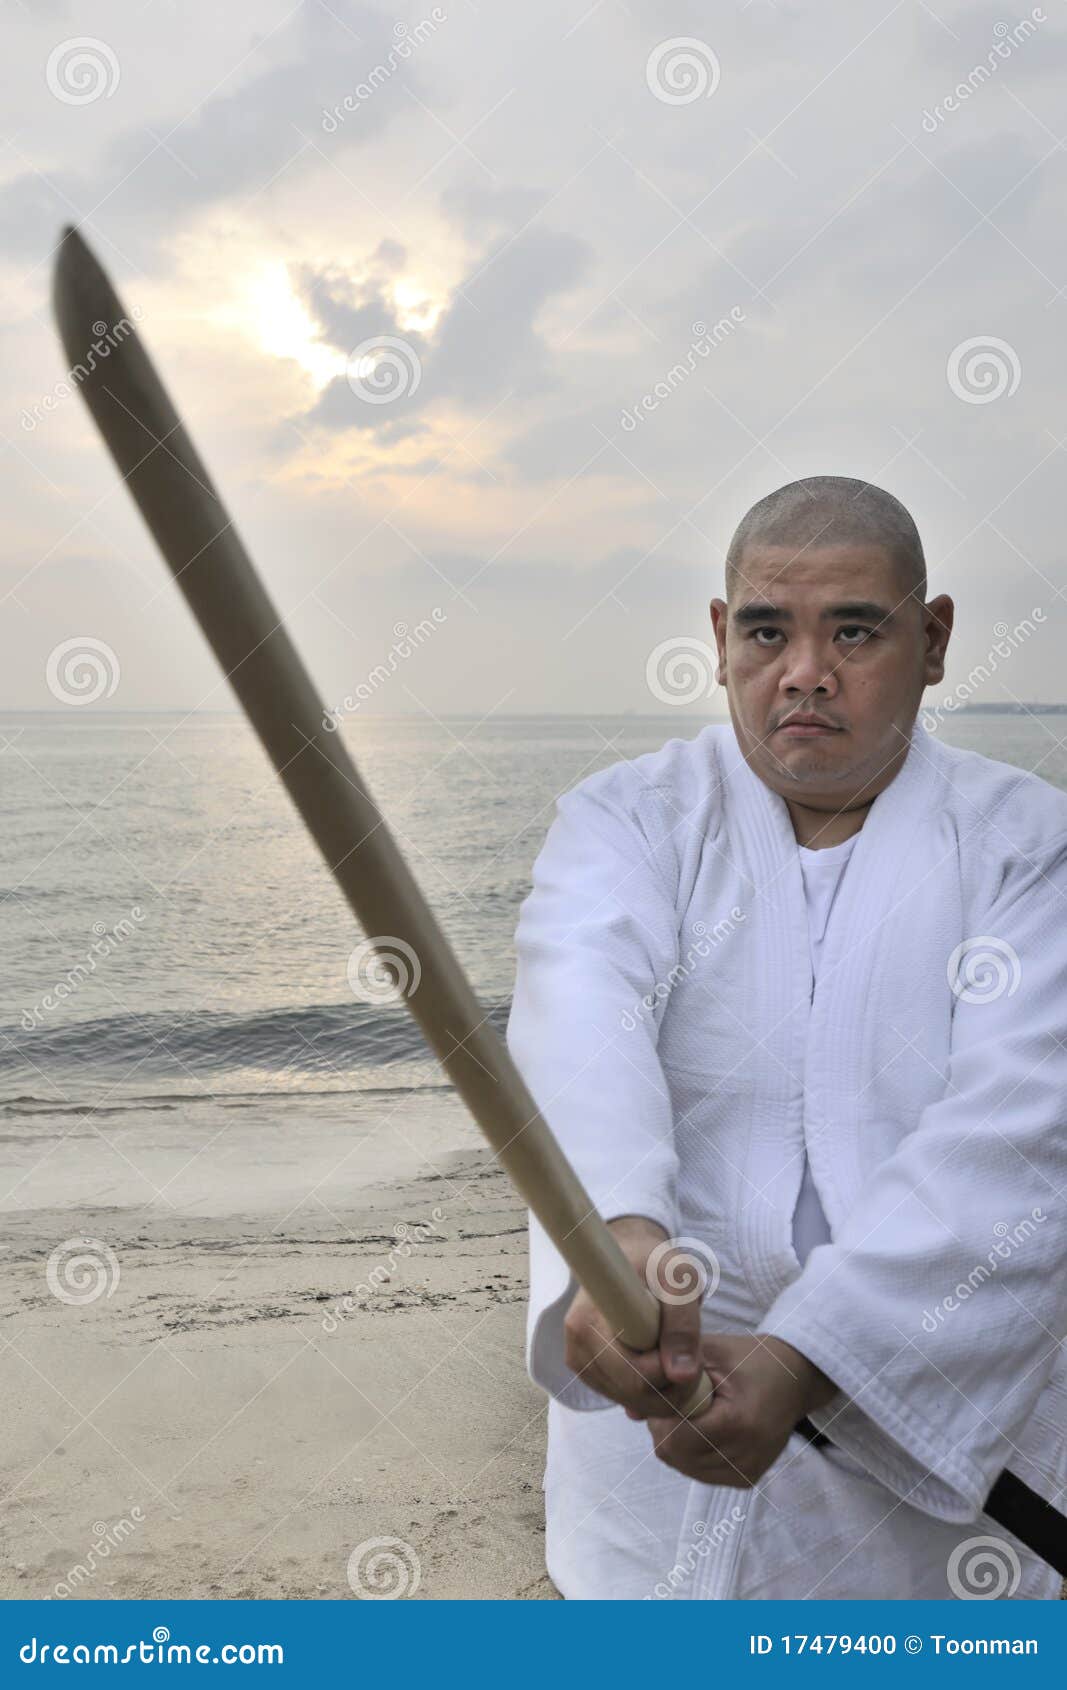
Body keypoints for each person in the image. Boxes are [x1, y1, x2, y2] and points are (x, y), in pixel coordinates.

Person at [505, 475, 1067, 1600]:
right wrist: (615, 1227)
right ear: (720, 640)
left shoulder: (1027, 846)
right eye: (767, 629)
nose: (804, 670)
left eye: (852, 629)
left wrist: (806, 1356)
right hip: (654, 1436)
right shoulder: (626, 819)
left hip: (933, 1474)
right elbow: (580, 1011)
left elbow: (1019, 1135)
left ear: (934, 636)